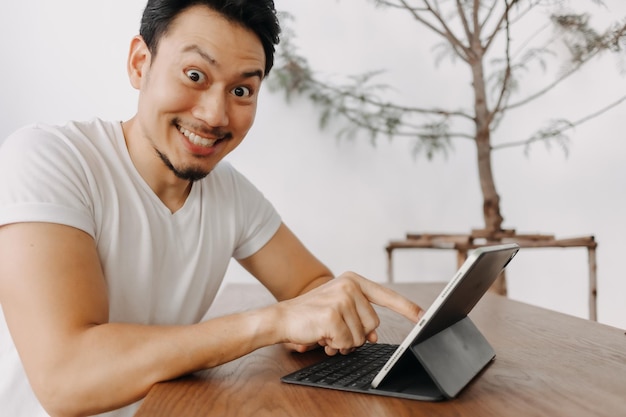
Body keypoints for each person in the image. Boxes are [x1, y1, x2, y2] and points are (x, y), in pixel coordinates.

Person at [0, 1, 423, 416]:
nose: (215, 114)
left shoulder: (229, 193)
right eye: (195, 75)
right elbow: (65, 378)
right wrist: (272, 322)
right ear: (139, 63)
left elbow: (309, 286)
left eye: (241, 90)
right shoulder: (47, 159)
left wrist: (326, 311)